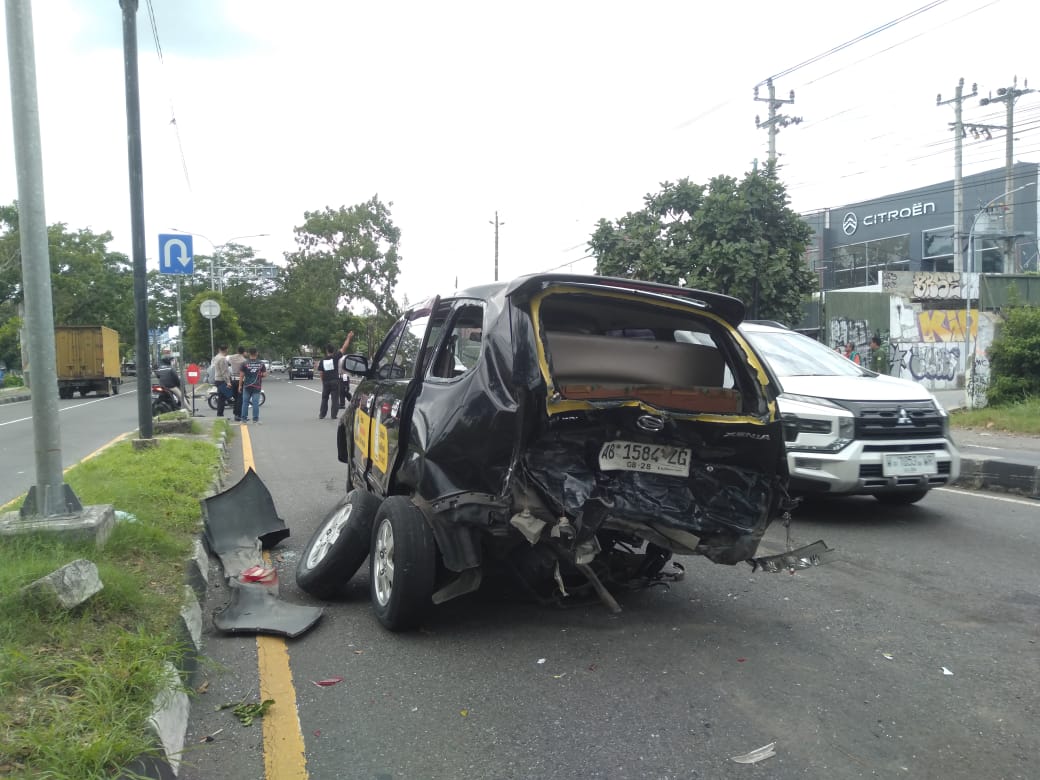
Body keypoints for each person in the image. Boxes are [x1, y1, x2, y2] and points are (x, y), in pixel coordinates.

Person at [317, 332, 354, 419]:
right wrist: (348, 338)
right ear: (333, 351)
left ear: (326, 351)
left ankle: (322, 414)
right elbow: (344, 348)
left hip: (326, 382)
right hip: (335, 381)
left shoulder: (322, 360)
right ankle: (334, 415)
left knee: (324, 398)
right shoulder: (335, 357)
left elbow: (321, 373)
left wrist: (323, 381)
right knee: (335, 399)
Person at [238, 347, 266, 424]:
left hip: (247, 386)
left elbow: (241, 376)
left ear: (249, 354)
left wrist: (240, 386)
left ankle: (243, 419)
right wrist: (259, 375)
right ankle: (255, 419)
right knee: (255, 403)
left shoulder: (244, 363)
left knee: (245, 402)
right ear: (257, 353)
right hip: (257, 386)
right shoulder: (261, 363)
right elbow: (264, 374)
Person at [210, 344, 232, 417]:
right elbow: (224, 371)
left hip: (217, 379)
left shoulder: (216, 357)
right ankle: (220, 415)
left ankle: (220, 415)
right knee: (222, 399)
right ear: (226, 350)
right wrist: (228, 382)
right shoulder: (222, 358)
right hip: (222, 380)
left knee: (221, 398)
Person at [227, 345, 247, 422]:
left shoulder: (231, 357)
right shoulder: (244, 360)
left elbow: (227, 362)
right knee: (240, 398)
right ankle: (238, 415)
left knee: (235, 398)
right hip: (240, 380)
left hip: (233, 379)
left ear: (237, 351)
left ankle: (236, 413)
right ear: (243, 352)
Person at [337, 331, 356, 407]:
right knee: (341, 390)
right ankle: (343, 404)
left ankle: (351, 400)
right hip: (339, 376)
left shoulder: (344, 358)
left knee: (344, 390)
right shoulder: (337, 359)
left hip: (345, 376)